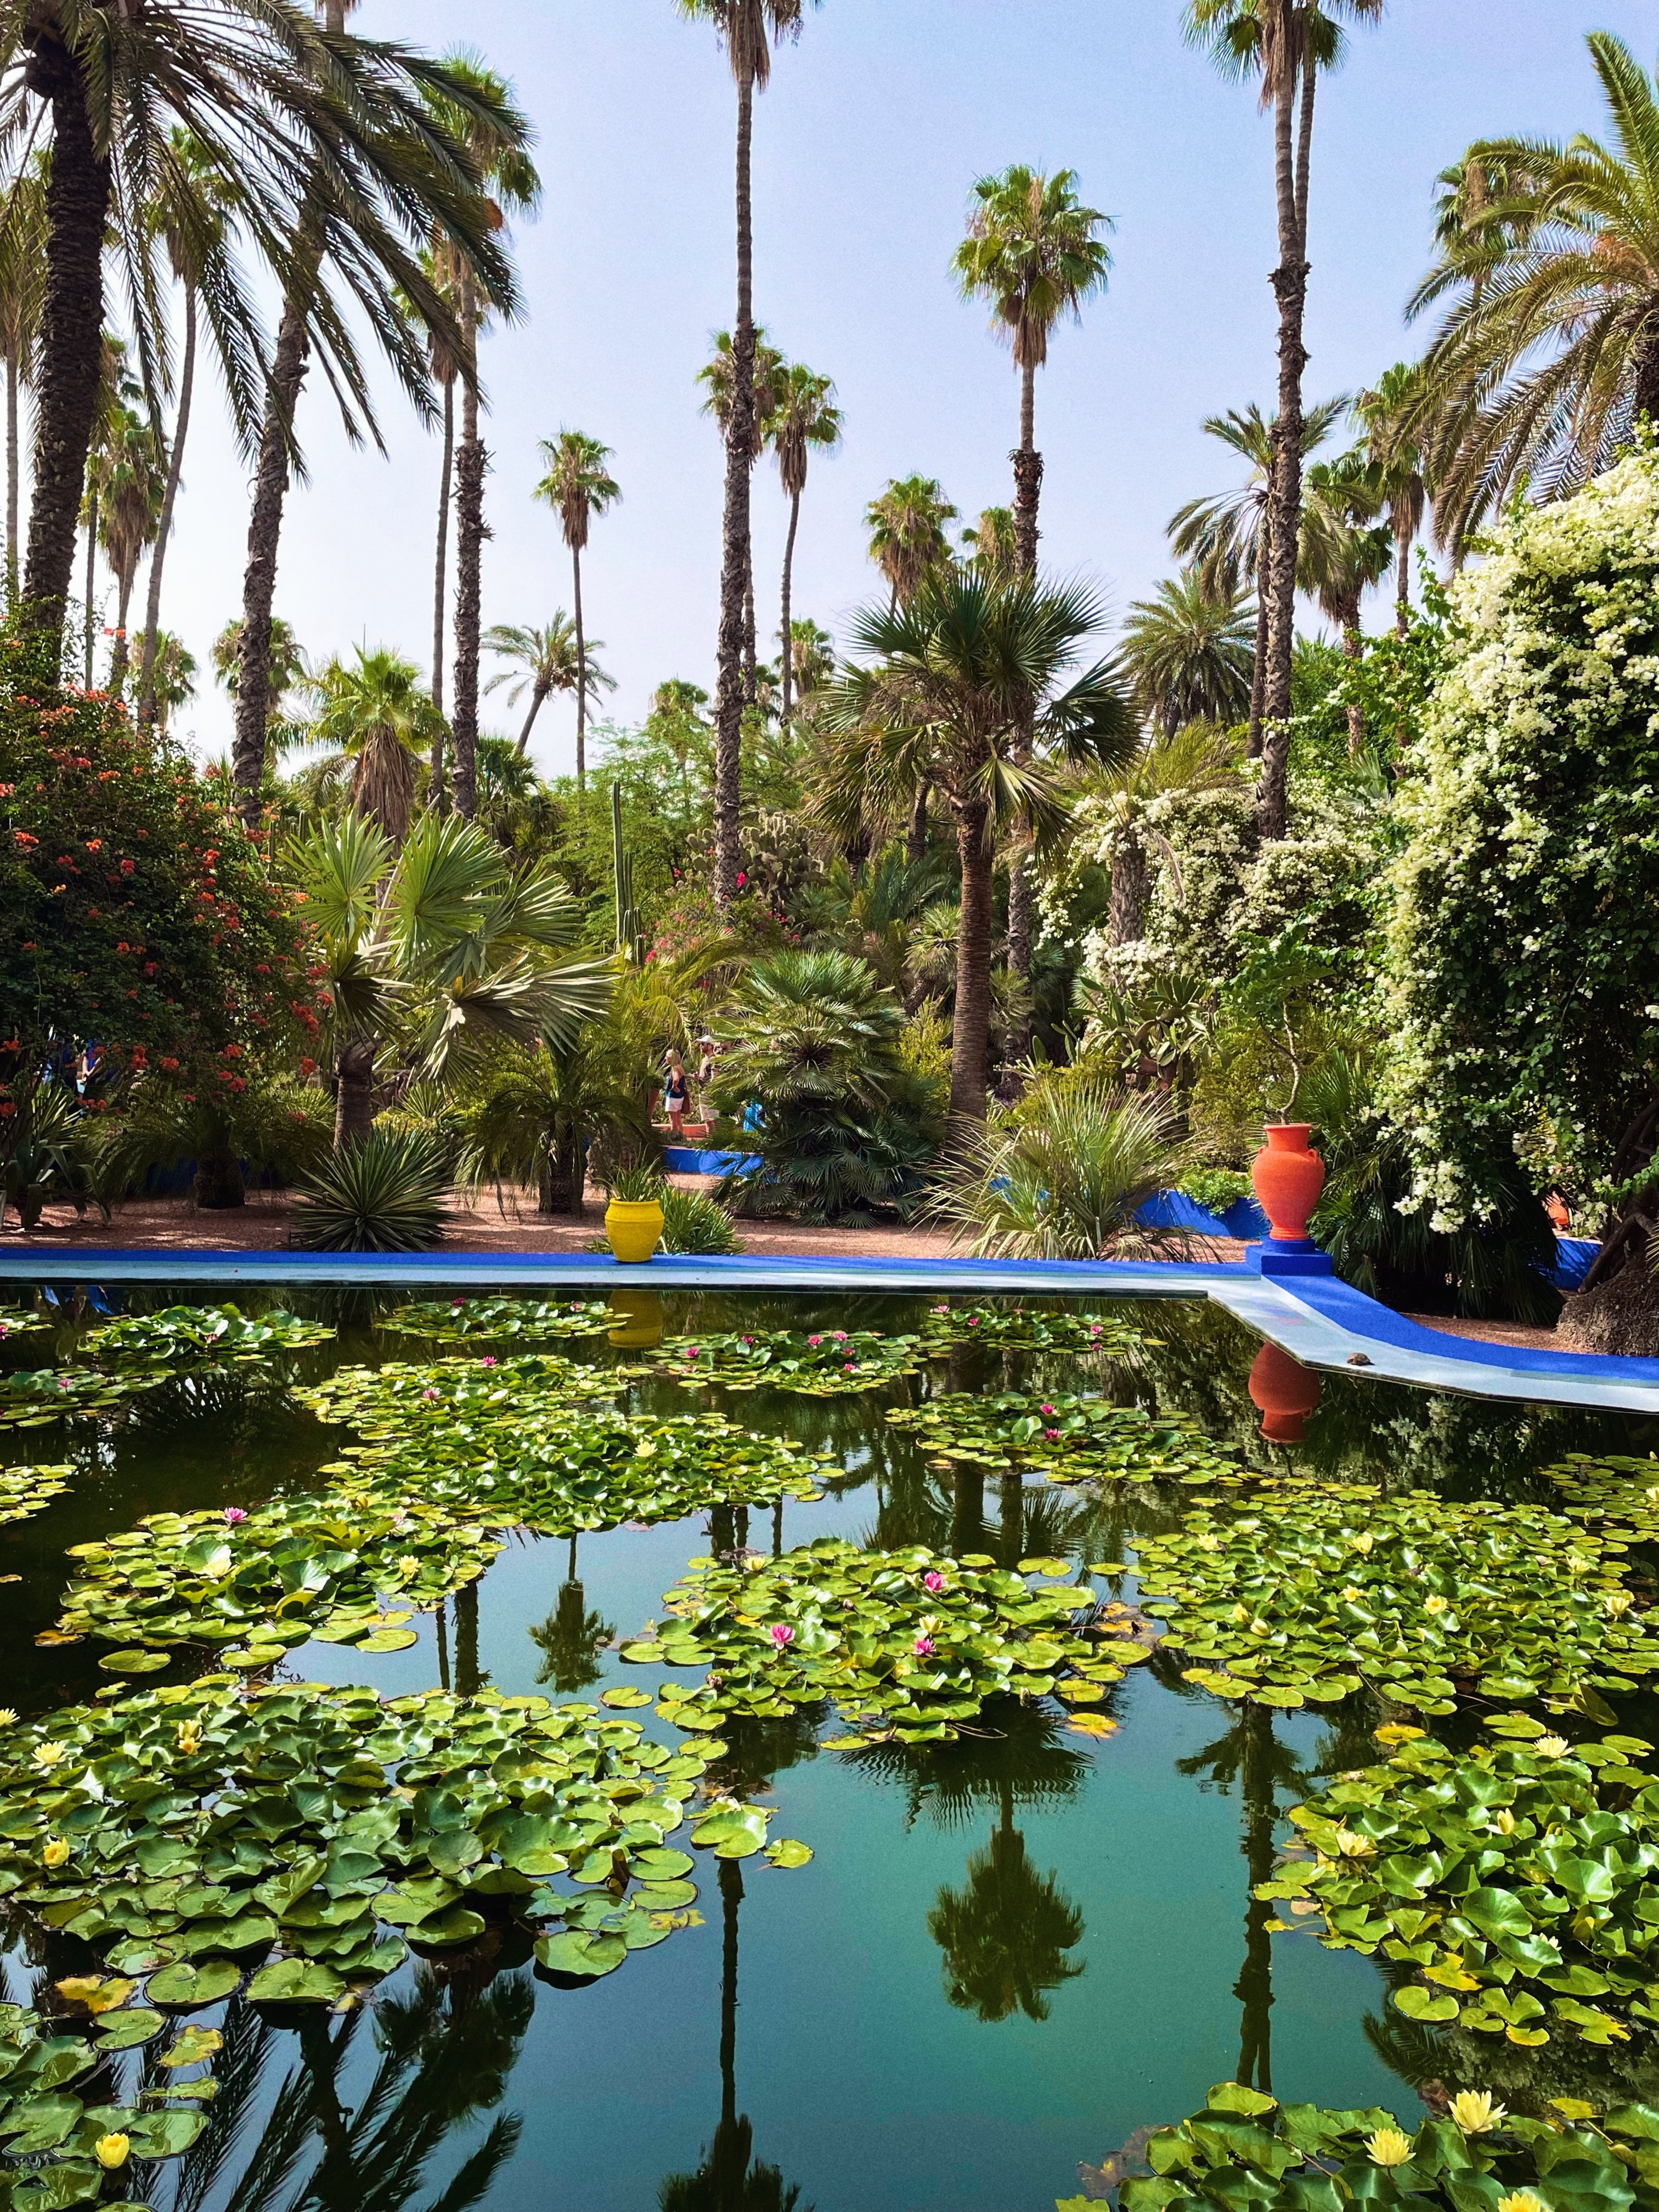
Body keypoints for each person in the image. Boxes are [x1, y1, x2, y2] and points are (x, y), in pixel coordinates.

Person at [663, 1051, 689, 1138]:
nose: (665, 1059)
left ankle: (674, 1137)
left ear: (672, 1058)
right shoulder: (680, 1068)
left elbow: (676, 1079)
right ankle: (681, 1136)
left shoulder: (675, 1069)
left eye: (667, 1057)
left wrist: (674, 1086)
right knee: (678, 1118)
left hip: (673, 1097)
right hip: (679, 1097)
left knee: (673, 1120)